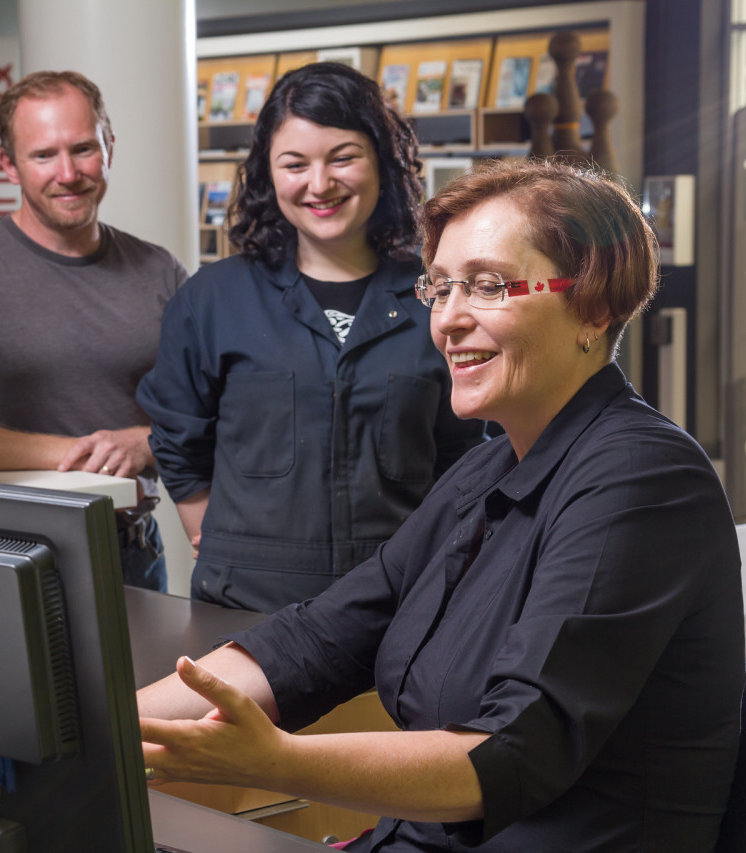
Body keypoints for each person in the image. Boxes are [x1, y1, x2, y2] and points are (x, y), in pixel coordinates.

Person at [138, 160, 745, 852]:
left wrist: (275, 761)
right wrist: (109, 731)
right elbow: (321, 639)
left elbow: (511, 751)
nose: (449, 320)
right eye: (441, 287)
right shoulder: (489, 466)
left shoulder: (644, 479)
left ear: (595, 308)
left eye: (488, 286)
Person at [137, 62, 485, 614]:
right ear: (267, 174)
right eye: (294, 164)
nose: (319, 184)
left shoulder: (437, 300)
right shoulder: (213, 301)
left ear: (382, 163)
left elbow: (463, 450)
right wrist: (224, 545)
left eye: (343, 157)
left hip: (396, 603)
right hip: (246, 604)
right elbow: (179, 438)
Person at [0, 70, 187, 592]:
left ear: (109, 147)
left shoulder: (162, 272)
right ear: (9, 165)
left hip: (128, 554)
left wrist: (145, 440)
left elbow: (213, 411)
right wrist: (85, 454)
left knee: (141, 680)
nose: (68, 173)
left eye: (84, 148)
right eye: (44, 155)